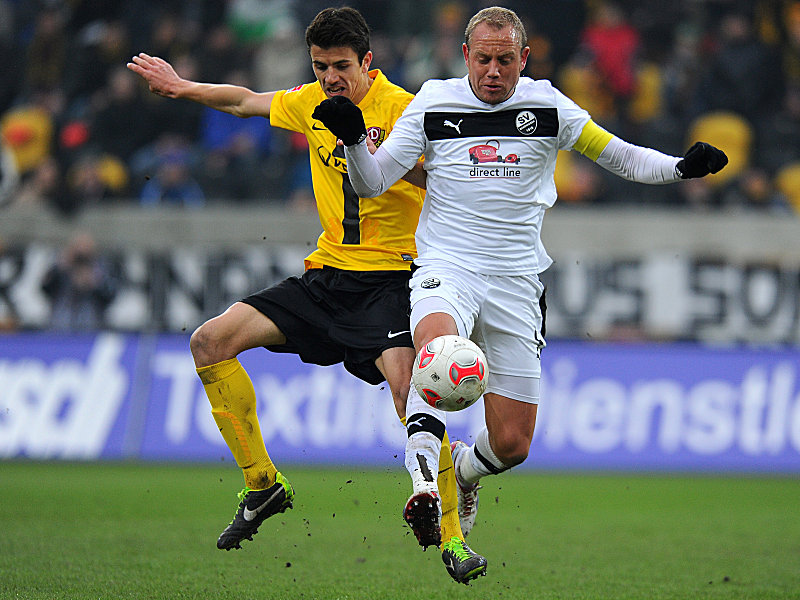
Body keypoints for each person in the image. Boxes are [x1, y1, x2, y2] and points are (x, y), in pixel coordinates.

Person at [313, 5, 728, 541]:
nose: (492, 71)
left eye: (504, 60)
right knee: (434, 352)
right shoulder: (434, 102)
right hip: (448, 266)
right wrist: (352, 144)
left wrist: (680, 168)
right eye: (483, 59)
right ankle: (424, 488)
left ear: (523, 59)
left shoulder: (548, 107)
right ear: (465, 55)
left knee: (512, 444)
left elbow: (620, 157)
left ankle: (462, 470)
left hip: (516, 281)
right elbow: (373, 184)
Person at [127, 7, 486, 584]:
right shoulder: (311, 101)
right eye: (321, 67)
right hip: (326, 277)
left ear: (368, 62)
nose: (330, 79)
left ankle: (452, 539)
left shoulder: (406, 110)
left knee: (412, 398)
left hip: (391, 282)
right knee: (210, 342)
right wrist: (181, 87)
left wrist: (374, 151)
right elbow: (245, 100)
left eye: (342, 67)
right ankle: (263, 487)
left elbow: (444, 180)